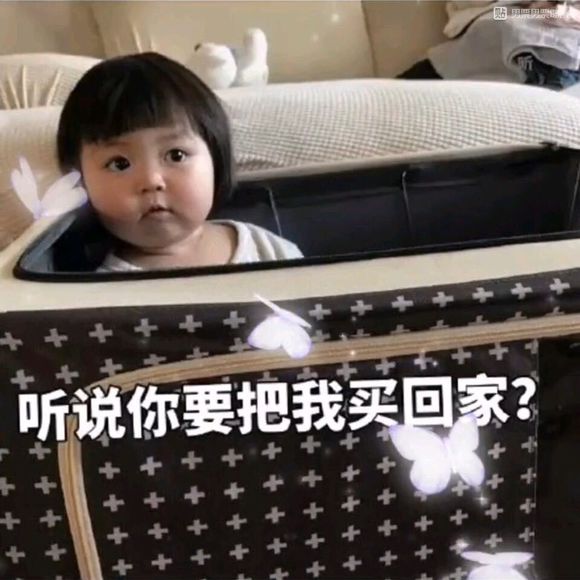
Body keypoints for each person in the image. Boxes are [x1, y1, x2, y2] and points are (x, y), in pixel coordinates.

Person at [56, 52, 302, 272]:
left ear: (215, 159)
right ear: (78, 181)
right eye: (119, 164)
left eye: (176, 155)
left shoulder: (267, 249)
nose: (151, 180)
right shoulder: (94, 292)